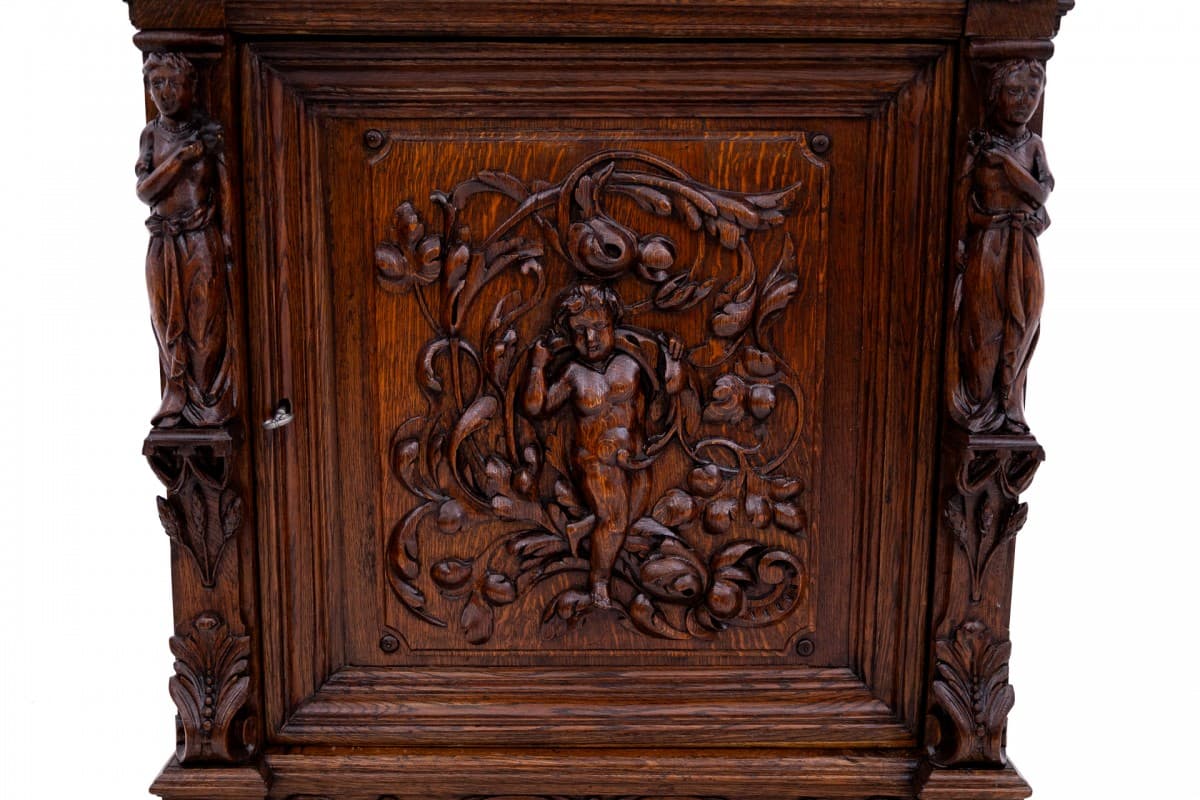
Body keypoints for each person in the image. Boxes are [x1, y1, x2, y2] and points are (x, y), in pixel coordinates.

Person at [524, 284, 684, 608]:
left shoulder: (633, 362)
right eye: (580, 331)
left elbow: (672, 387)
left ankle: (583, 527)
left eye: (598, 327)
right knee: (613, 520)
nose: (591, 339)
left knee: (629, 514)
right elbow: (536, 408)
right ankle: (600, 582)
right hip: (595, 459)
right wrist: (538, 366)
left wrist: (673, 358)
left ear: (614, 324)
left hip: (636, 456)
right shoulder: (572, 374)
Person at [952, 58, 1054, 434]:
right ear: (995, 95)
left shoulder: (1032, 146)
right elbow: (961, 191)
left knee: (1022, 322)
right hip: (990, 244)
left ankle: (1007, 407)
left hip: (1022, 245)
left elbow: (1041, 192)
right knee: (984, 325)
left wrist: (1005, 162)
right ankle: (979, 406)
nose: (1024, 101)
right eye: (1014, 91)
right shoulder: (980, 147)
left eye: (1032, 92)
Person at [136, 52, 235, 427]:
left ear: (191, 86)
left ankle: (207, 398)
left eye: (173, 83)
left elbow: (225, 184)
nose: (165, 93)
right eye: (156, 84)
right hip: (164, 243)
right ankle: (178, 396)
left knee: (205, 320)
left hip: (199, 238)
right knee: (166, 320)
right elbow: (146, 192)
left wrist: (226, 239)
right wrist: (180, 158)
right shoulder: (152, 135)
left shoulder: (208, 132)